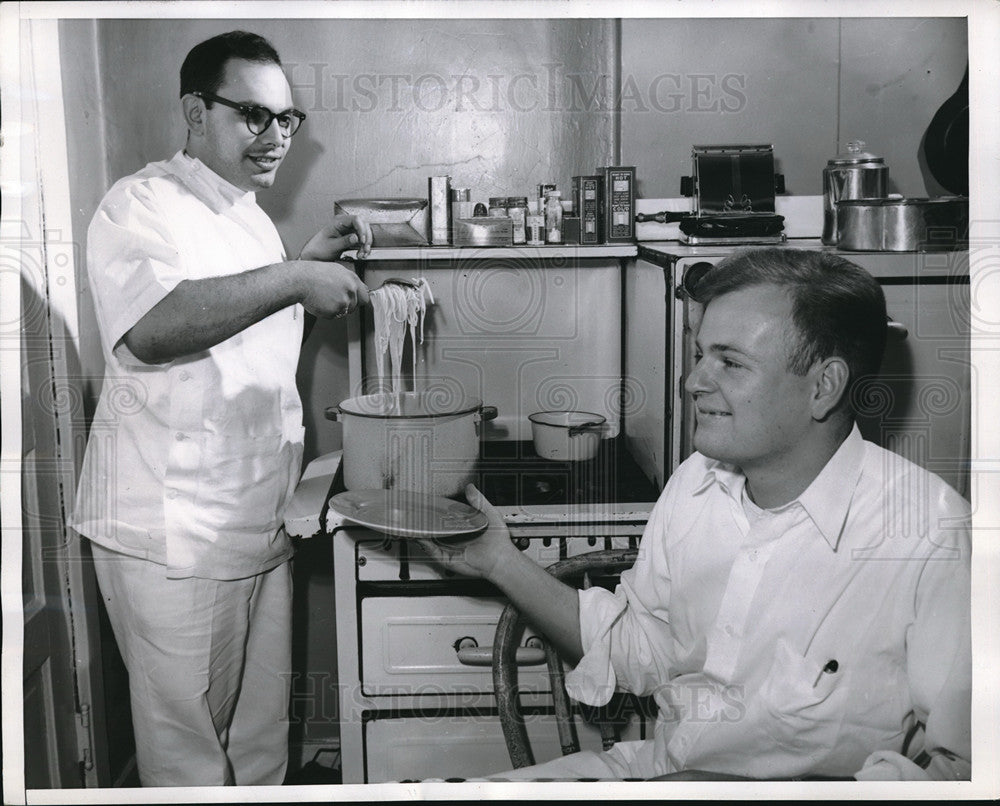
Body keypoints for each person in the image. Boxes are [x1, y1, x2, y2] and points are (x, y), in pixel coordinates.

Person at [422, 247, 971, 782]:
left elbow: (963, 771)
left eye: (730, 362)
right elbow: (639, 648)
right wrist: (499, 560)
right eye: (701, 354)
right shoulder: (696, 483)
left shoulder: (932, 536)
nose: (693, 382)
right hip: (656, 771)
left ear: (822, 387)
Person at [69, 30, 371, 787]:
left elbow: (236, 326)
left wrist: (302, 258)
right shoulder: (140, 202)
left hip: (255, 521)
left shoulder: (246, 216)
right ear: (195, 112)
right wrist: (295, 278)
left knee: (260, 746)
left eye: (287, 119)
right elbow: (154, 327)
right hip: (175, 537)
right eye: (253, 116)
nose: (276, 139)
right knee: (189, 765)